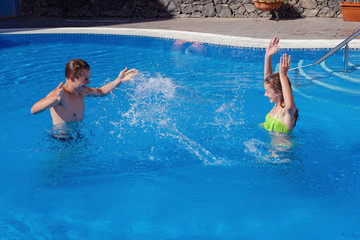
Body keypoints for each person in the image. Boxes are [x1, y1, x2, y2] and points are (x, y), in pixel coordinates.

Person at [31, 59, 138, 125]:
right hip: (62, 140)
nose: (89, 82)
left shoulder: (82, 90)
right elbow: (34, 110)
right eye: (85, 79)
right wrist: (54, 99)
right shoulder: (59, 95)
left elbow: (101, 91)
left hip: (78, 135)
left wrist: (119, 80)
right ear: (72, 78)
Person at [260, 37, 298, 133]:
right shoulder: (277, 104)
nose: (265, 94)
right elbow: (268, 82)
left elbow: (289, 106)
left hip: (282, 148)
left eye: (268, 92)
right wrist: (268, 56)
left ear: (279, 92)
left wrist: (283, 74)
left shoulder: (287, 112)